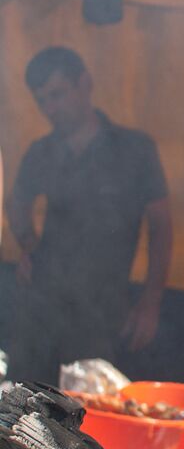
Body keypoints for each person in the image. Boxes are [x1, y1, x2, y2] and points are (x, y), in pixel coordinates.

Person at [7, 46, 172, 384]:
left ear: (85, 84)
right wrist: (27, 242)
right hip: (40, 305)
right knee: (20, 401)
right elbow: (16, 200)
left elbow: (161, 226)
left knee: (86, 407)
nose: (50, 109)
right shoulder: (42, 152)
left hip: (103, 311)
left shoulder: (135, 149)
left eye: (57, 95)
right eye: (42, 101)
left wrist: (151, 301)